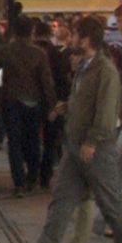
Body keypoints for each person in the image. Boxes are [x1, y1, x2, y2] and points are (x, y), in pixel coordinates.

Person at [16, 17, 122, 243]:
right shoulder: (87, 67)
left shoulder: (105, 71)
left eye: (76, 35)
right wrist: (66, 107)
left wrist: (92, 141)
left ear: (87, 39)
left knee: (109, 202)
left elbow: (105, 111)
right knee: (62, 198)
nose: (71, 39)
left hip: (95, 149)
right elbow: (83, 100)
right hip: (76, 145)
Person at [0, 15, 56, 197]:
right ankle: (32, 176)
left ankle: (19, 183)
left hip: (11, 101)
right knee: (33, 141)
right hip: (34, 103)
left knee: (14, 142)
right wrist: (51, 104)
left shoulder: (5, 51)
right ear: (31, 32)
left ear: (14, 31)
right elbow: (47, 82)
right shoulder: (39, 54)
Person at [34, 21, 71, 188]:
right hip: (52, 103)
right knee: (50, 142)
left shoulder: (30, 52)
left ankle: (32, 173)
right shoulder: (57, 54)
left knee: (32, 139)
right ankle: (45, 176)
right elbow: (63, 80)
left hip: (33, 102)